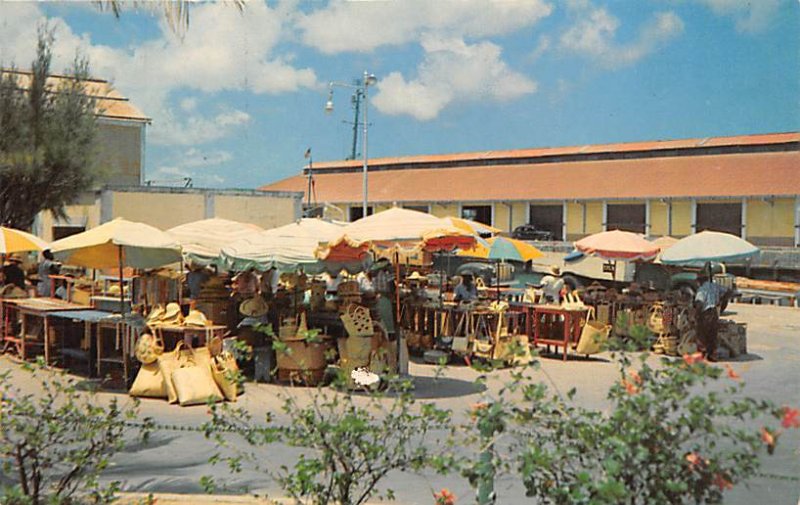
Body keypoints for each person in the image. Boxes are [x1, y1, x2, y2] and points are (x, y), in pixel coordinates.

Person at [694, 270, 725, 361]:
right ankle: (712, 354)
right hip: (714, 312)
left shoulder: (702, 290)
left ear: (700, 280)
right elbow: (728, 291)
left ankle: (702, 353)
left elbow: (699, 303)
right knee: (712, 334)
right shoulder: (714, 286)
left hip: (706, 313)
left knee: (702, 333)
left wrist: (696, 315)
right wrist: (720, 301)